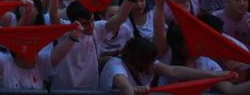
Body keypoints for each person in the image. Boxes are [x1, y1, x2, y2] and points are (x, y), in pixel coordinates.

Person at [99, 37, 232, 94]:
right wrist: (134, 91)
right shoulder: (115, 66)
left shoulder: (147, 63)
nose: (153, 64)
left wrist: (215, 75)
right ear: (136, 60)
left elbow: (174, 71)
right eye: (149, 61)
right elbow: (125, 86)